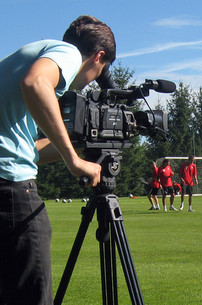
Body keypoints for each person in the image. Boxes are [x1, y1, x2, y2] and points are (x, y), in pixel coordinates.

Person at [0, 15, 114, 305]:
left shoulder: (23, 56)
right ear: (98, 57)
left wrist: (76, 143)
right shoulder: (67, 52)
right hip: (12, 194)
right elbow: (36, 83)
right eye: (100, 71)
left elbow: (25, 151)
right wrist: (74, 161)